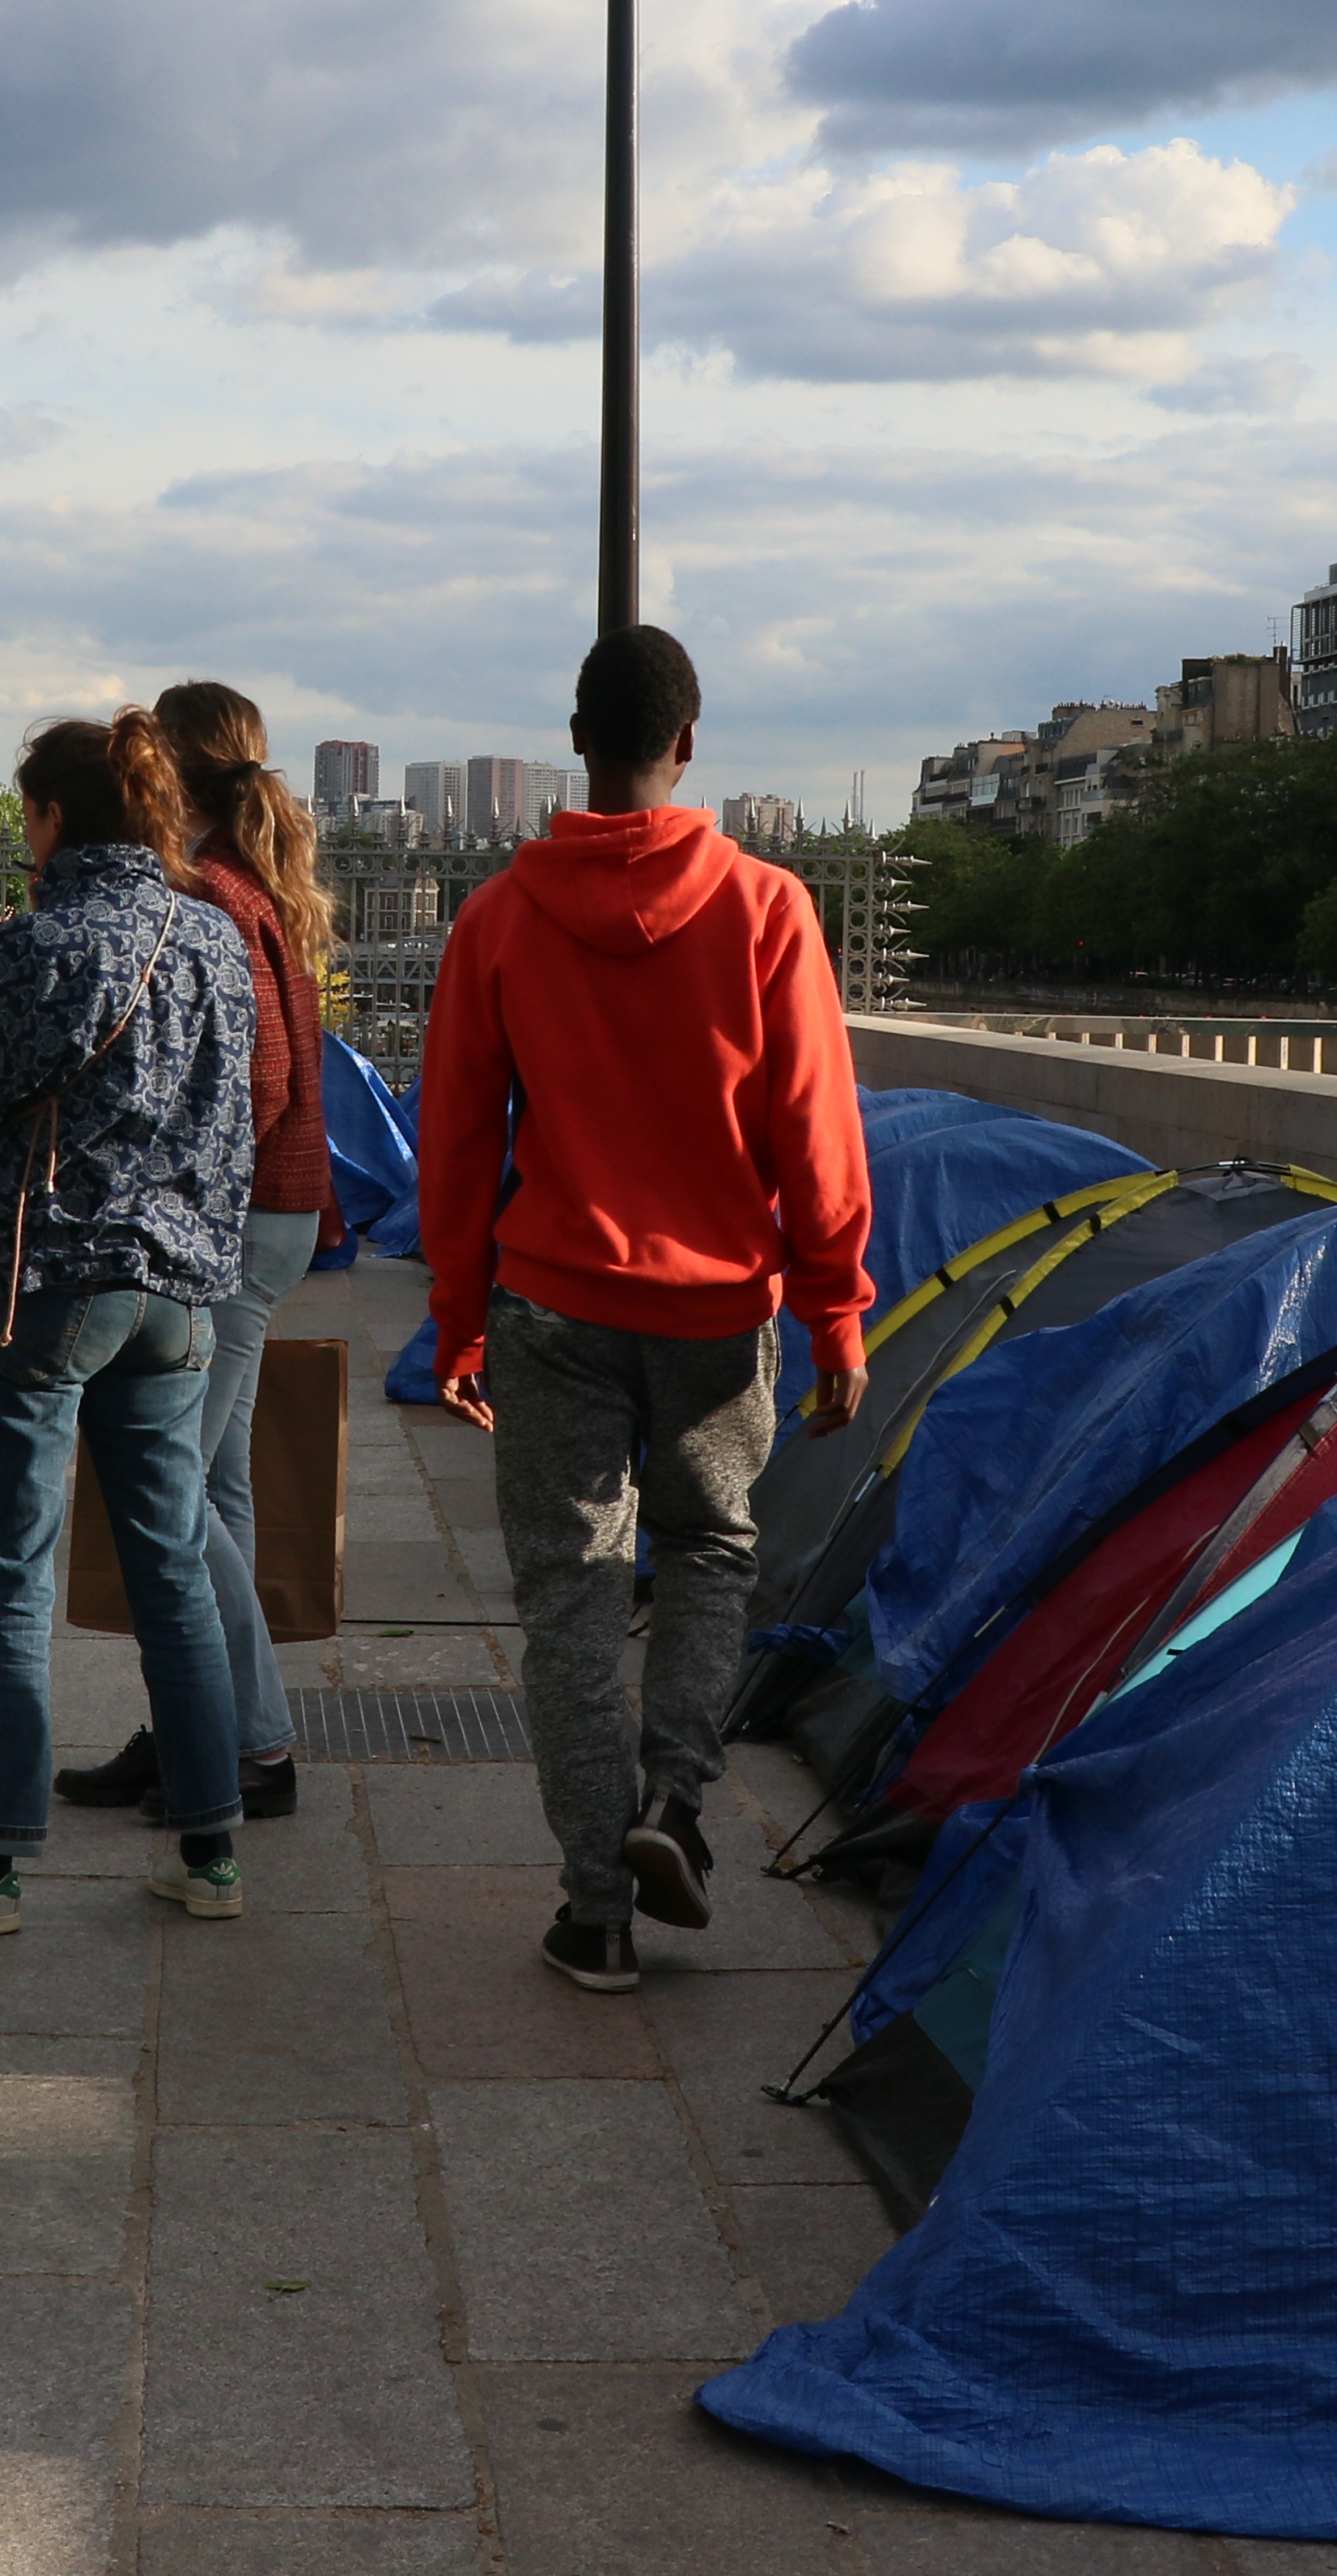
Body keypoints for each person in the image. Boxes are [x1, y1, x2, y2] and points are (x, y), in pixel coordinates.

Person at [417, 627, 872, 1996]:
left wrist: (456, 1318)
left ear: (576, 738)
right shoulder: (769, 908)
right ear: (689, 742)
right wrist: (837, 1309)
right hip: (722, 1313)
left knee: (569, 1592)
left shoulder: (499, 916)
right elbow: (816, 1129)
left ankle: (595, 1911)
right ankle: (676, 1802)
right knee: (713, 1556)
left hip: (554, 1302)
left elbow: (452, 1139)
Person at [0, 711, 259, 1943]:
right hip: (183, 1292)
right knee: (173, 1569)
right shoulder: (217, 941)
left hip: (47, 1288)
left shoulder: (36, 944)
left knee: (12, 1579)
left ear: (52, 818)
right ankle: (211, 1850)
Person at [55, 682, 327, 1828]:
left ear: (170, 767)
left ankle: (251, 1747)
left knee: (165, 1491)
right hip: (278, 1213)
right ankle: (195, 1728)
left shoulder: (211, 888)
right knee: (213, 1489)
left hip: (242, 1220)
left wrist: (180, 1182)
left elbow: (259, 1082)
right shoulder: (251, 881)